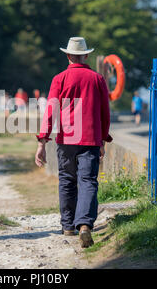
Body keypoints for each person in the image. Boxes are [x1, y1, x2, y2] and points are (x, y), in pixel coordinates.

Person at [35, 37, 112, 248]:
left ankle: (68, 225)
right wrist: (103, 139)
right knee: (87, 181)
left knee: (67, 180)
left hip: (67, 139)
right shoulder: (97, 79)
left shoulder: (59, 79)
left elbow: (50, 111)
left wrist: (42, 141)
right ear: (86, 55)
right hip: (90, 138)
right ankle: (85, 224)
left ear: (68, 56)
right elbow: (105, 113)